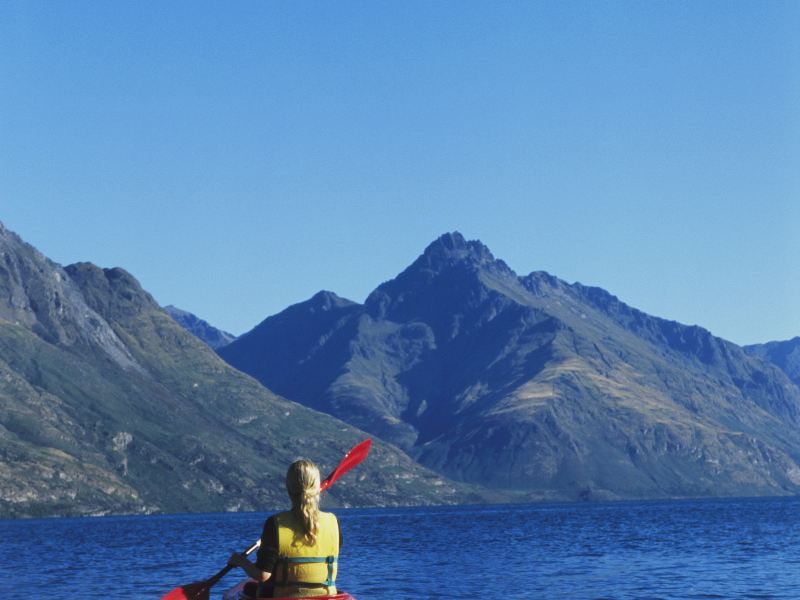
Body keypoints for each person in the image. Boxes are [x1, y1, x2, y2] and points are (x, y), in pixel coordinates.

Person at [228, 459, 341, 598]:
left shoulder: (275, 524)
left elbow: (262, 575)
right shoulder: (332, 522)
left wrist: (240, 561)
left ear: (288, 488)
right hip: (325, 595)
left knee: (246, 589)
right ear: (317, 487)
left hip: (284, 595)